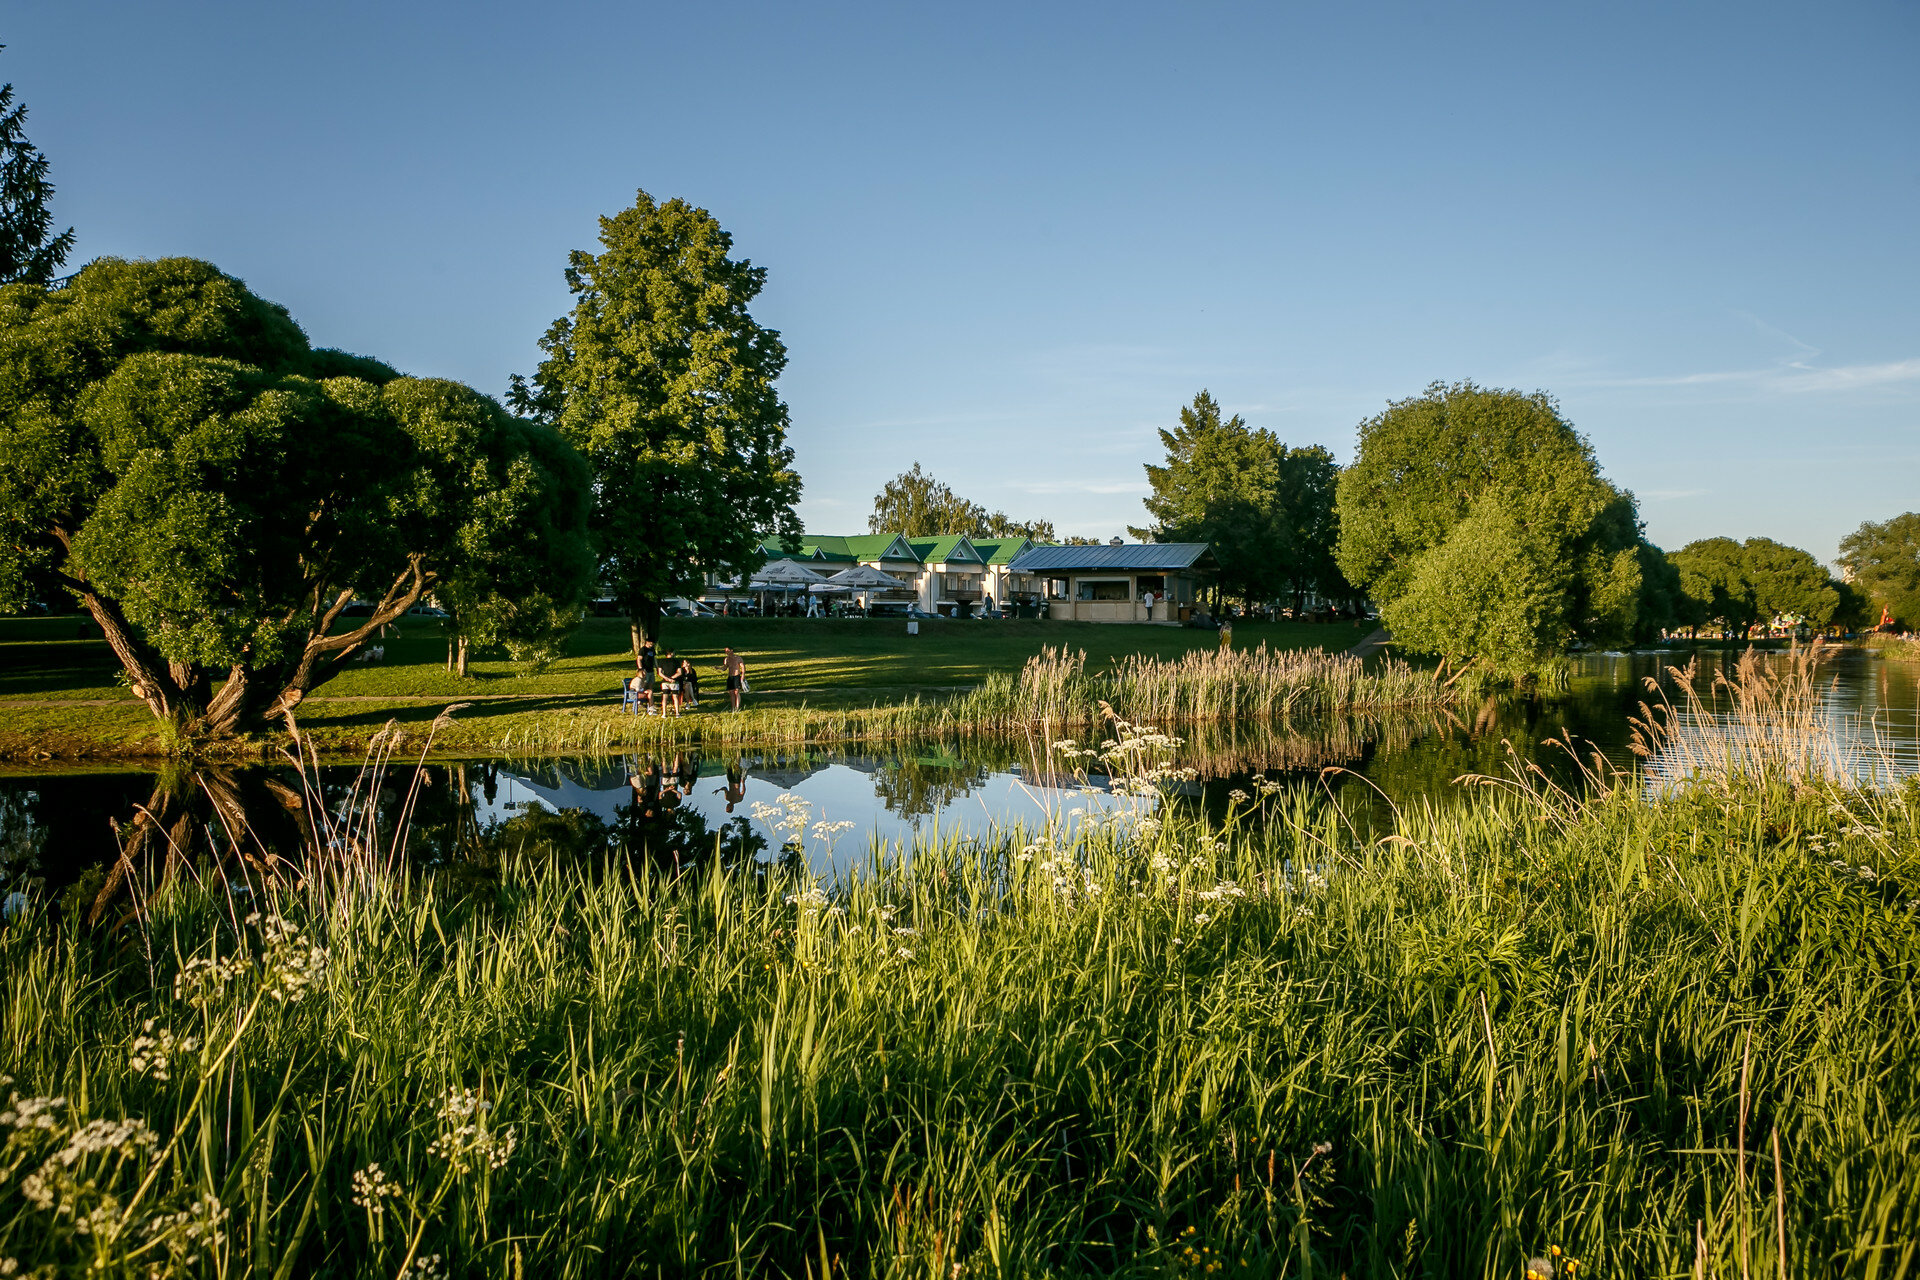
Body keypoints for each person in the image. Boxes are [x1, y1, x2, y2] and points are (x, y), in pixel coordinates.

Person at [637, 638, 657, 715]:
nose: (651, 645)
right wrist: (641, 669)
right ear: (647, 642)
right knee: (644, 685)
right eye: (650, 644)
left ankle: (650, 701)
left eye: (652, 644)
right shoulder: (643, 650)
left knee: (651, 685)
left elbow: (654, 659)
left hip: (651, 670)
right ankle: (641, 701)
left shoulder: (652, 649)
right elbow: (639, 659)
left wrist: (657, 667)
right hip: (645, 670)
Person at [723, 645, 747, 712]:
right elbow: (725, 668)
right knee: (731, 693)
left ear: (731, 650)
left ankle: (737, 707)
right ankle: (733, 707)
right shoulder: (726, 659)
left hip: (736, 676)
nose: (726, 652)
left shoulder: (738, 658)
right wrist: (719, 668)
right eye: (725, 651)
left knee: (736, 692)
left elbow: (743, 667)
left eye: (727, 650)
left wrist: (742, 676)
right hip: (730, 677)